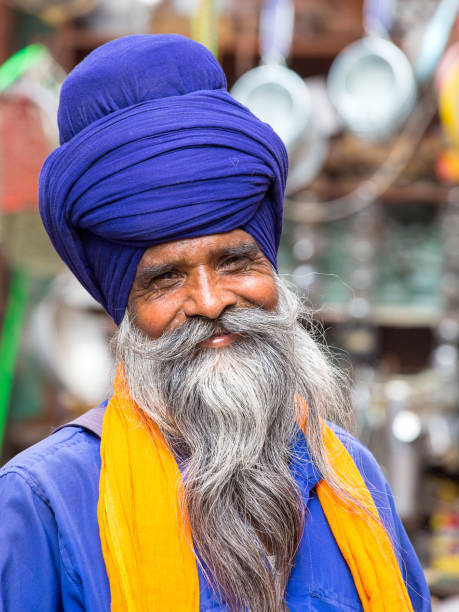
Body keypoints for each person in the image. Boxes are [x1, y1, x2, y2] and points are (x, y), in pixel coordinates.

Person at [0, 35, 431, 612]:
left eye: (235, 262)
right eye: (165, 278)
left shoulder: (351, 480)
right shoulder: (43, 504)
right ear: (122, 306)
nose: (209, 300)